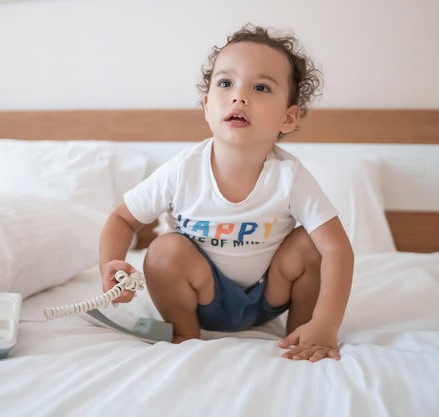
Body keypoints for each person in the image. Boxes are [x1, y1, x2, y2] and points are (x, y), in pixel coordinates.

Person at [99, 24, 354, 362]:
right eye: (225, 83)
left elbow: (338, 249)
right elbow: (121, 218)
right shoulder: (184, 169)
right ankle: (183, 334)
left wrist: (327, 322)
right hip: (198, 297)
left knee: (312, 245)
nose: (240, 96)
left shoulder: (289, 175)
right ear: (207, 106)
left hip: (267, 296)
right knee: (164, 251)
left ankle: (306, 333)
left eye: (261, 87)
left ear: (288, 118)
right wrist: (111, 264)